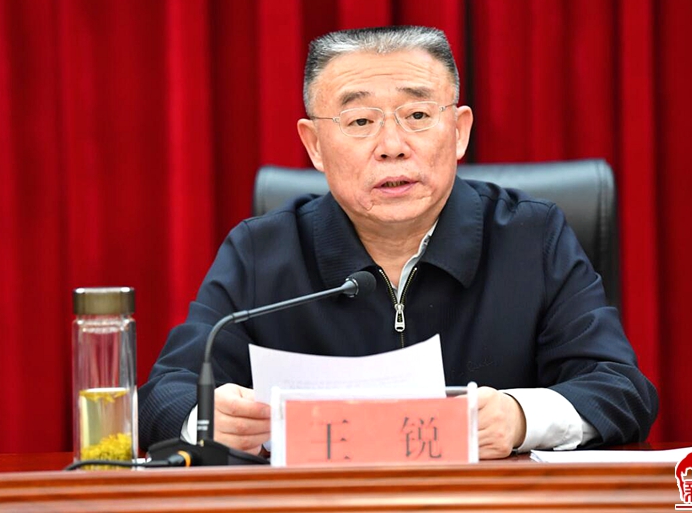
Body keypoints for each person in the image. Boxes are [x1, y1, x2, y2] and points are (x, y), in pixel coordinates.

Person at [138, 25, 658, 459]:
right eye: (360, 121)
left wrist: (520, 418)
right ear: (314, 145)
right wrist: (206, 419)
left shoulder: (531, 237)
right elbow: (162, 395)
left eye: (417, 116)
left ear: (459, 131)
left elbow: (620, 389)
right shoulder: (262, 252)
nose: (392, 146)